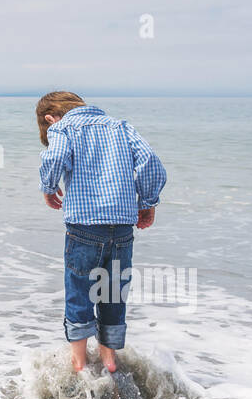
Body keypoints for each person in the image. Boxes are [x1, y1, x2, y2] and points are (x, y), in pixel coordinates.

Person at [36, 91, 167, 372]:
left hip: (83, 227)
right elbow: (150, 161)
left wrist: (48, 187)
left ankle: (79, 362)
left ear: (50, 118)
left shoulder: (63, 128)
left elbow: (55, 156)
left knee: (79, 293)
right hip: (121, 228)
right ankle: (109, 360)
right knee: (113, 293)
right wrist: (147, 201)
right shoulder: (121, 127)